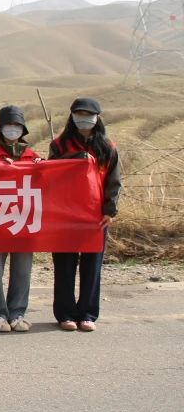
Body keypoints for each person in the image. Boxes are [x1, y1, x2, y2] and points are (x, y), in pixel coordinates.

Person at [50, 98, 121, 332]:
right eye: (79, 114)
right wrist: (76, 158)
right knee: (64, 265)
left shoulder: (107, 146)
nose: (84, 118)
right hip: (65, 214)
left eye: (88, 114)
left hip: (95, 216)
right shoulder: (59, 144)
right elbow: (50, 173)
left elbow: (113, 181)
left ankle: (88, 314)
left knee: (92, 266)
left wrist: (110, 210)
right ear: (71, 116)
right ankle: (65, 314)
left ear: (97, 118)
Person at [0, 105, 41, 333]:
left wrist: (40, 168)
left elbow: (44, 185)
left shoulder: (33, 157)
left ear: (23, 129)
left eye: (16, 125)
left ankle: (17, 312)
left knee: (22, 268)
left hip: (24, 219)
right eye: (8, 125)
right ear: (0, 129)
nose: (12, 129)